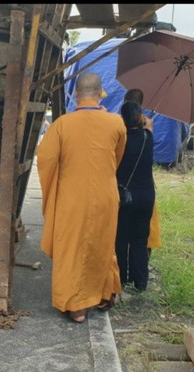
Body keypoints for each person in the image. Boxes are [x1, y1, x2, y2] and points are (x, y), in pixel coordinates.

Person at [36, 72, 126, 323]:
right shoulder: (116, 122)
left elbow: (45, 159)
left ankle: (77, 306)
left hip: (72, 197)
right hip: (106, 195)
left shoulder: (62, 124)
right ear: (101, 94)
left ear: (76, 95)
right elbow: (117, 157)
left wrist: (58, 181)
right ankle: (104, 293)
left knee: (72, 248)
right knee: (102, 244)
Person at [115, 100, 156, 291]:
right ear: (139, 117)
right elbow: (149, 123)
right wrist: (144, 117)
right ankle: (140, 282)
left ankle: (121, 278)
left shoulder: (120, 140)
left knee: (121, 239)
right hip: (146, 197)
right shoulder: (148, 137)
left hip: (124, 197)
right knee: (140, 240)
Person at [123, 88, 162, 254]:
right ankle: (143, 257)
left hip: (124, 184)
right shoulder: (148, 127)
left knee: (123, 231)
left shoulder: (119, 125)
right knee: (144, 229)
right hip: (145, 185)